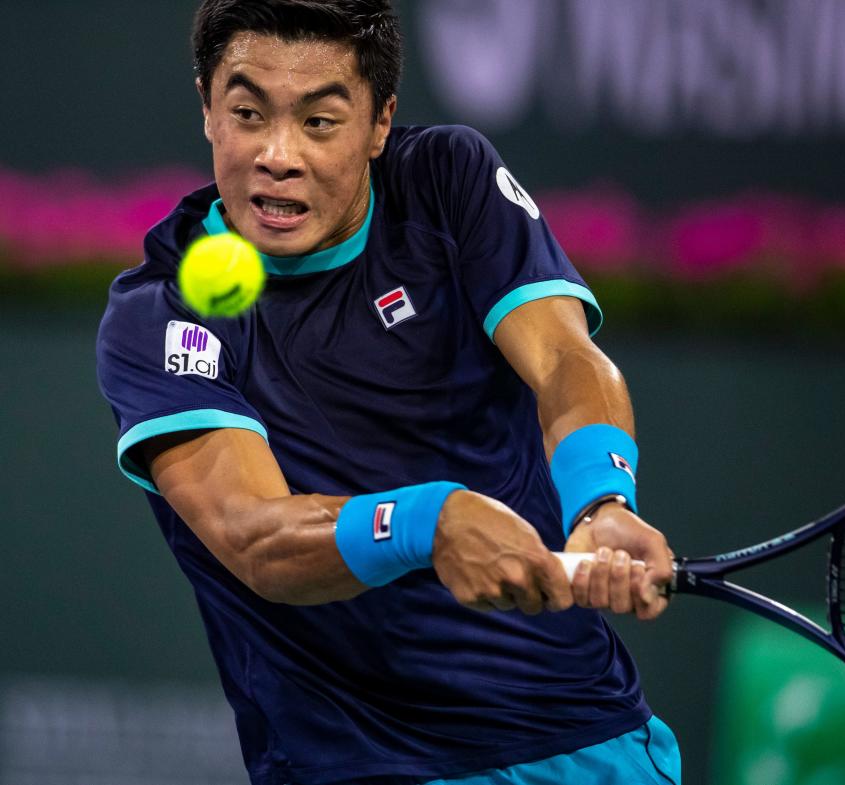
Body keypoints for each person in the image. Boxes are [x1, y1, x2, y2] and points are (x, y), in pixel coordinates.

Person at [96, 1, 681, 783]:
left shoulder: (446, 182)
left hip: (586, 743)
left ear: (379, 123)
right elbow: (255, 537)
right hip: (360, 765)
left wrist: (602, 499)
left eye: (320, 122)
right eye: (247, 113)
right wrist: (428, 520)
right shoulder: (163, 310)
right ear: (206, 107)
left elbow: (566, 358)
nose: (277, 154)